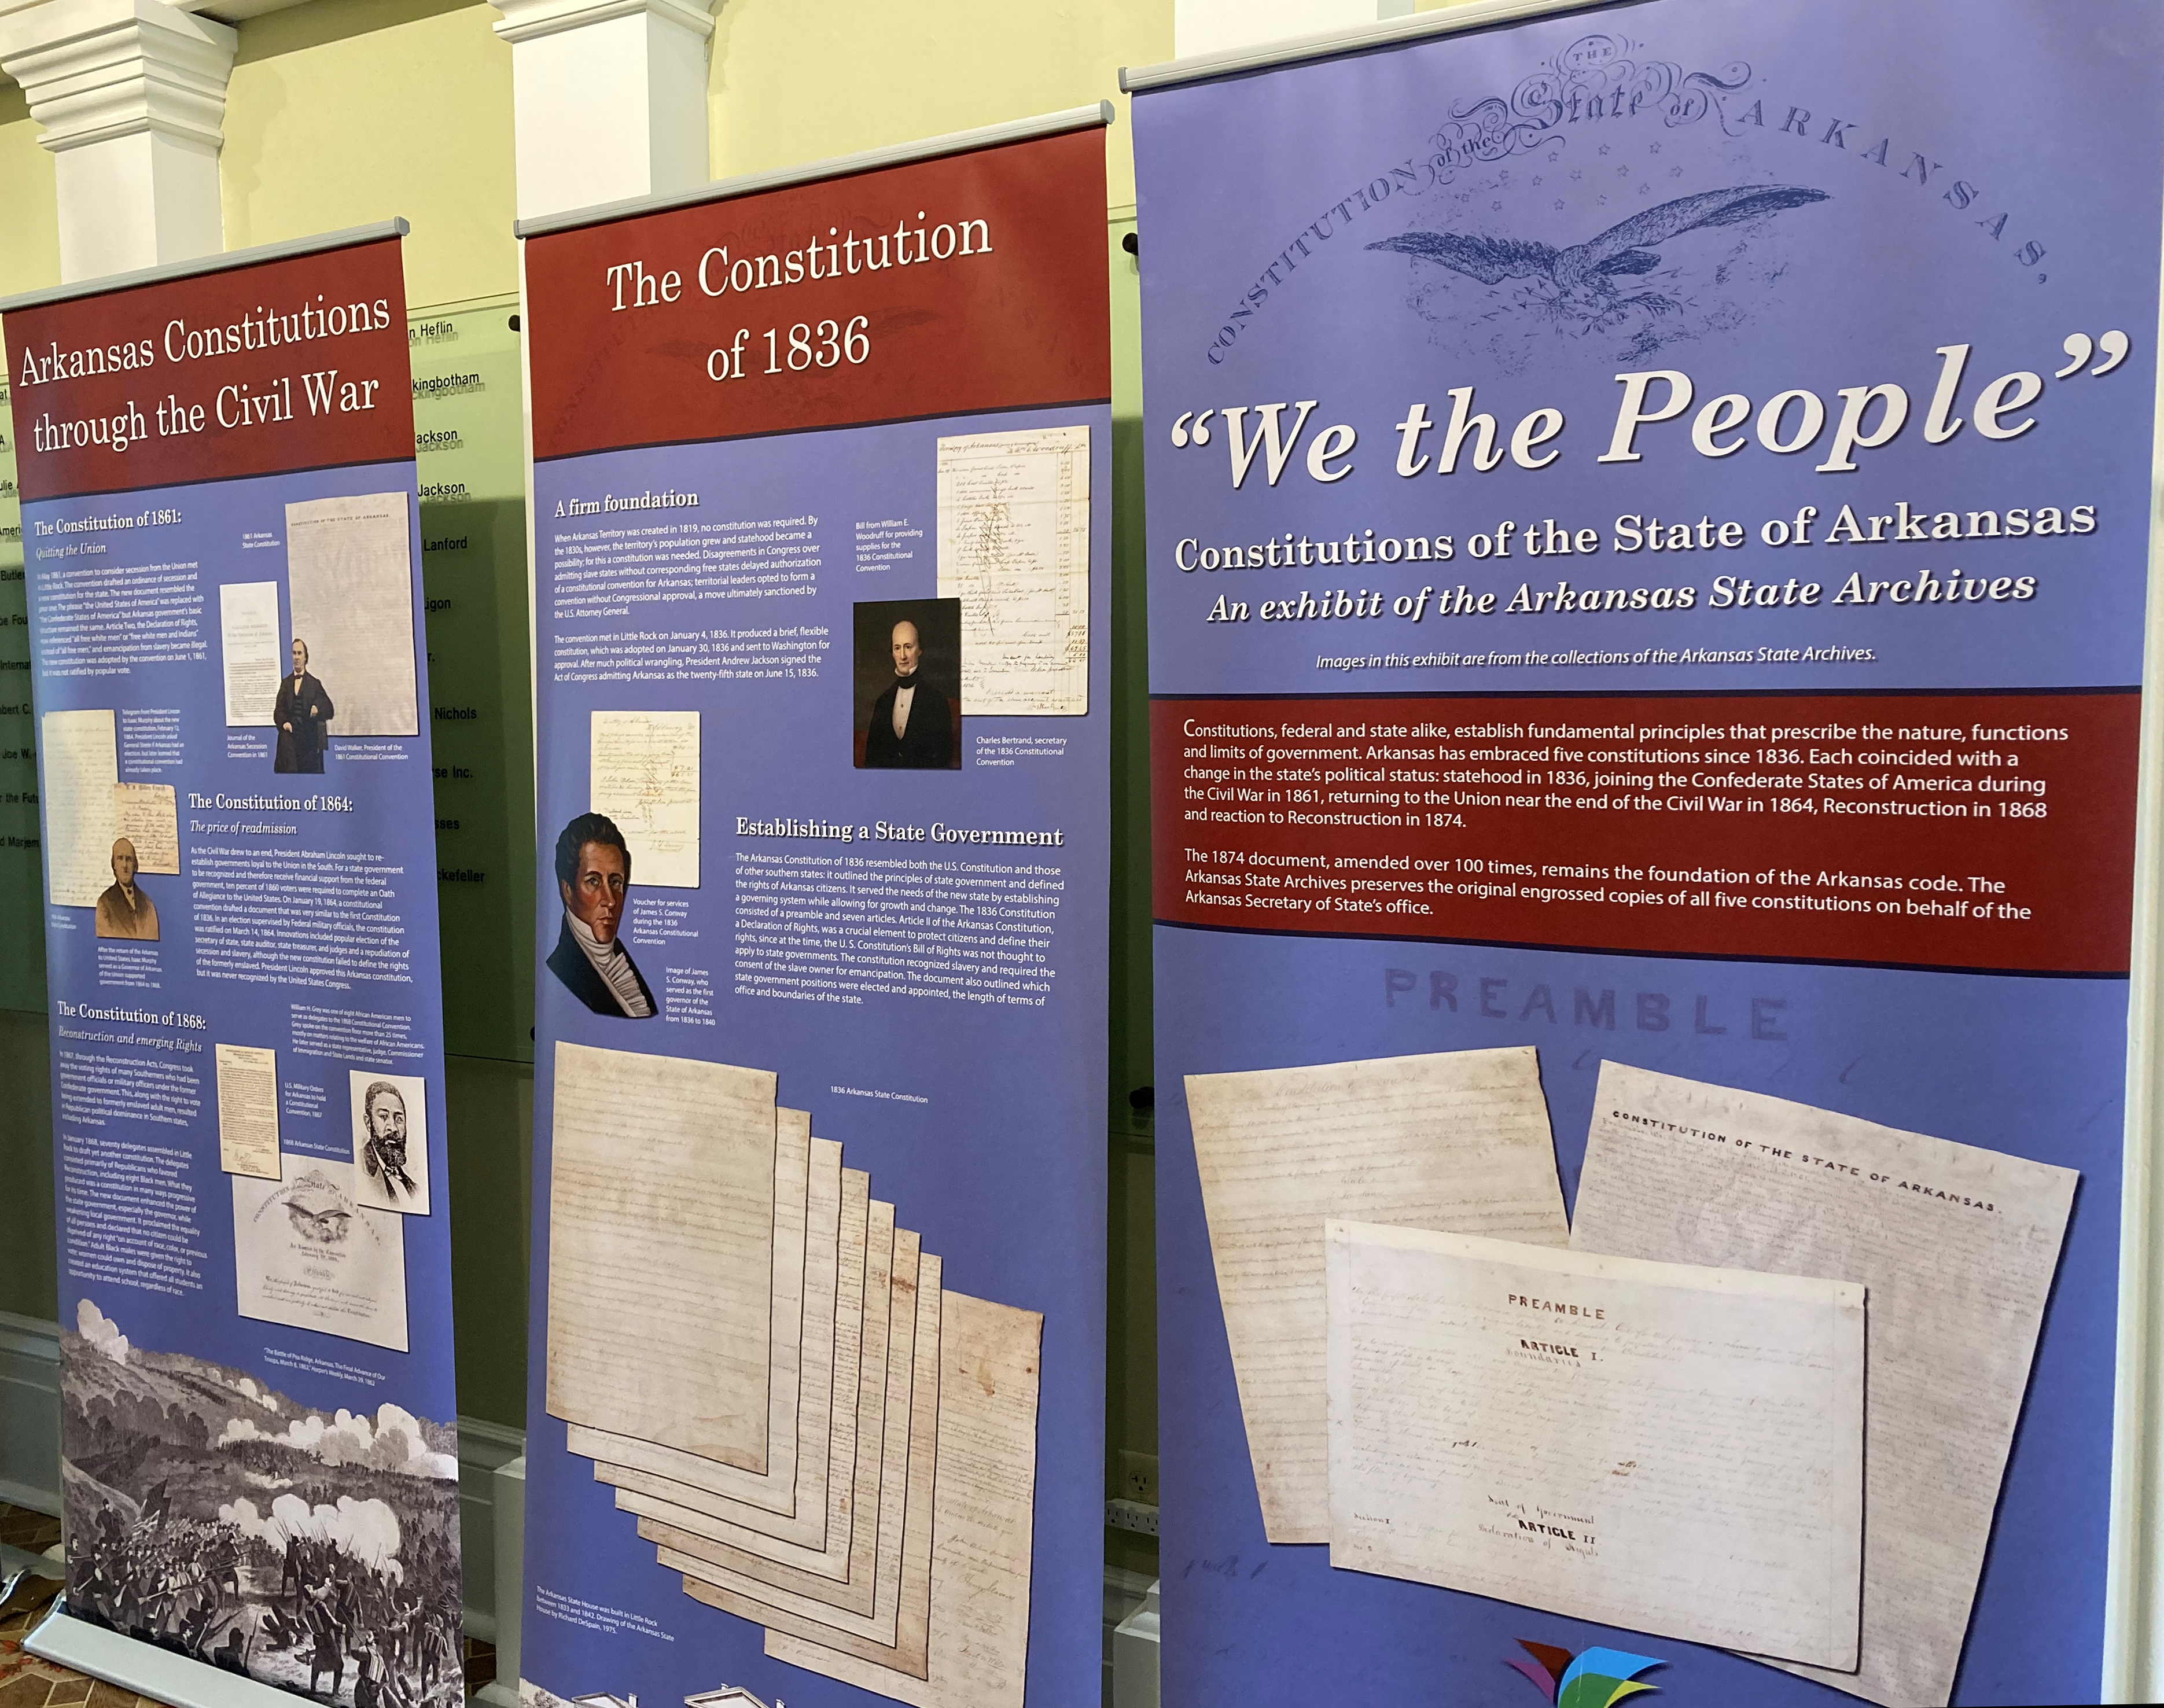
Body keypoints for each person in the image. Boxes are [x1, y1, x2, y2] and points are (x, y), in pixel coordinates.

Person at [545, 812, 656, 1017]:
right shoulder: (562, 969)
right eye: (593, 881)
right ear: (568, 891)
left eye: (615, 882)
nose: (610, 900)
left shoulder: (622, 960)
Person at [863, 619, 952, 768]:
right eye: (897, 648)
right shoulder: (883, 702)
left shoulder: (936, 700)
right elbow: (871, 759)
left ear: (920, 650)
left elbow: (944, 758)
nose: (903, 656)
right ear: (892, 652)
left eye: (908, 647)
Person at [274, 638, 335, 773]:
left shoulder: (314, 684)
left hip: (308, 739)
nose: (297, 657)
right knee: (285, 743)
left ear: (305, 657)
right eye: (294, 653)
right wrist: (284, 723)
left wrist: (317, 708)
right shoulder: (285, 684)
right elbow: (278, 710)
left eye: (300, 654)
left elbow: (329, 709)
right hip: (290, 738)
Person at [359, 1081, 421, 1207]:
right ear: (368, 1122)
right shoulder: (357, 1171)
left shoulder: (415, 1189)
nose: (393, 1128)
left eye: (399, 1119)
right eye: (383, 1116)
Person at [95, 837, 159, 940]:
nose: (125, 865)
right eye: (120, 858)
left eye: (129, 859)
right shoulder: (104, 903)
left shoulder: (148, 905)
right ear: (114, 865)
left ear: (135, 865)